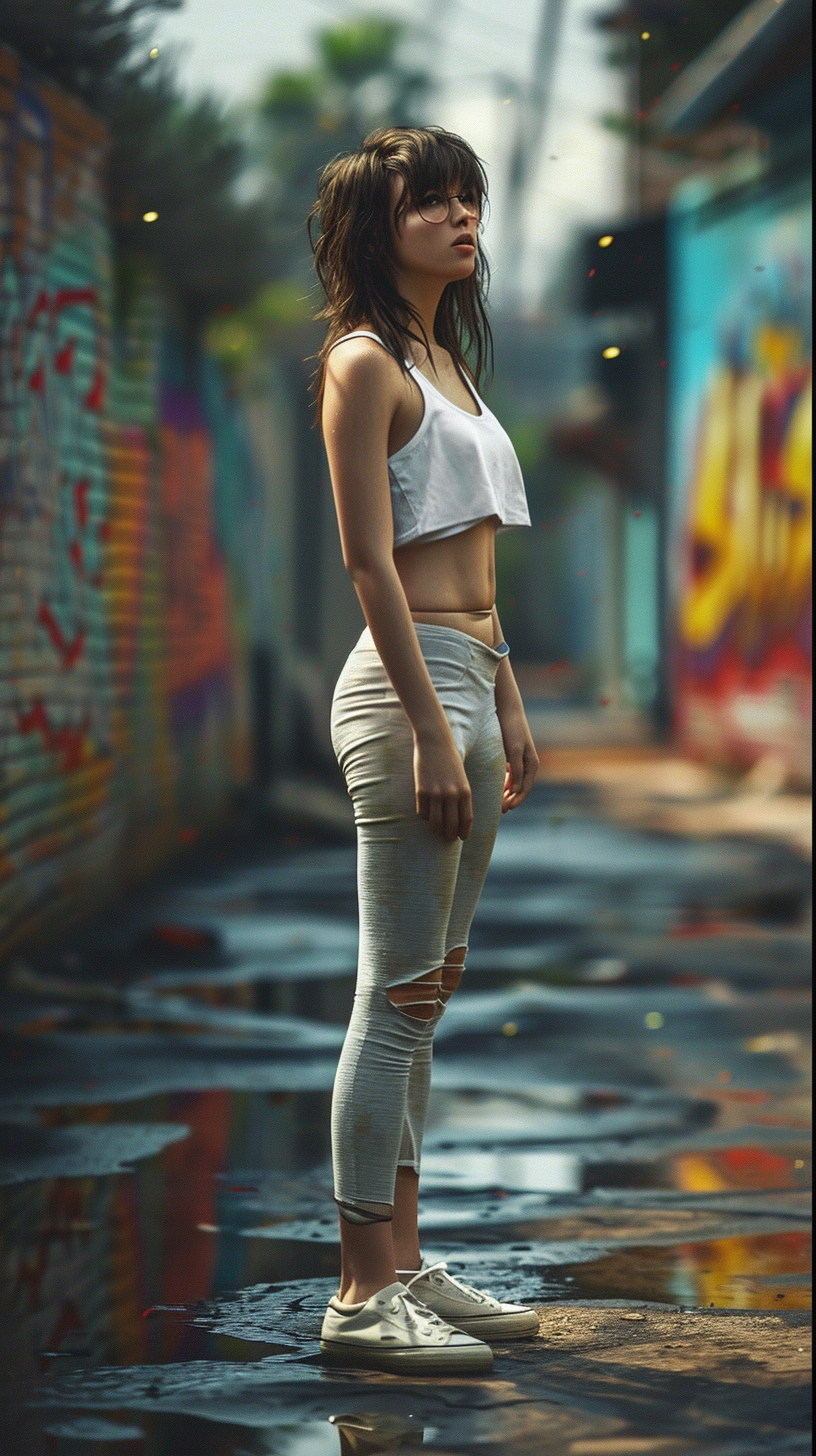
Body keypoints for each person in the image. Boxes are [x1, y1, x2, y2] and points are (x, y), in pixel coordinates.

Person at [310, 126, 540, 1374]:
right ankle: (357, 1297)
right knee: (392, 996)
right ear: (374, 224)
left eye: (470, 199)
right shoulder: (363, 363)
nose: (463, 219)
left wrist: (502, 698)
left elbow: (474, 559)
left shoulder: (446, 360)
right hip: (403, 695)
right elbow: (368, 563)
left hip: (463, 677)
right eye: (433, 202)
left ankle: (405, 1264)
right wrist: (434, 725)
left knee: (429, 997)